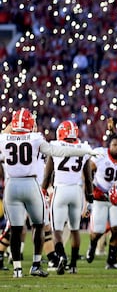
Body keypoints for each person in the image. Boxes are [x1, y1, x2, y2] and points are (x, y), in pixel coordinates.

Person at [0, 108, 98, 278]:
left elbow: (6, 132)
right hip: (31, 184)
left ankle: (17, 269)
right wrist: (85, 151)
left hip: (11, 186)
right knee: (39, 225)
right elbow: (59, 151)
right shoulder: (36, 138)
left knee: (15, 229)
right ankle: (36, 264)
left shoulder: (3, 138)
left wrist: (14, 122)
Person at [41, 121, 94, 274]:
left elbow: (47, 175)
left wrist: (43, 192)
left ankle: (61, 255)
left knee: (57, 229)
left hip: (61, 190)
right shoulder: (83, 148)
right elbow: (88, 179)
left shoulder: (55, 146)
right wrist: (90, 199)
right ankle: (73, 265)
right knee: (75, 229)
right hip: (76, 192)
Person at [86, 133, 117, 269]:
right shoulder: (100, 155)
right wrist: (91, 191)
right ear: (109, 146)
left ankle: (111, 260)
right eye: (114, 145)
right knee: (98, 231)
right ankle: (92, 245)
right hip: (100, 197)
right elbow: (87, 172)